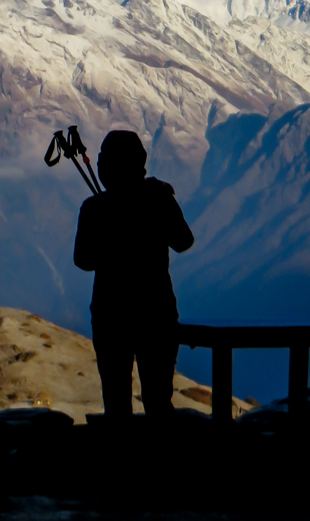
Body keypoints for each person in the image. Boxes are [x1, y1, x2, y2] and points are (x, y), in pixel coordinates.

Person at [73, 130, 194, 419]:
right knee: (158, 403)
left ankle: (120, 462)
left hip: (110, 317)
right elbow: (183, 241)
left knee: (115, 405)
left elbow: (83, 260)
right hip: (157, 315)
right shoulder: (158, 198)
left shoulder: (95, 208)